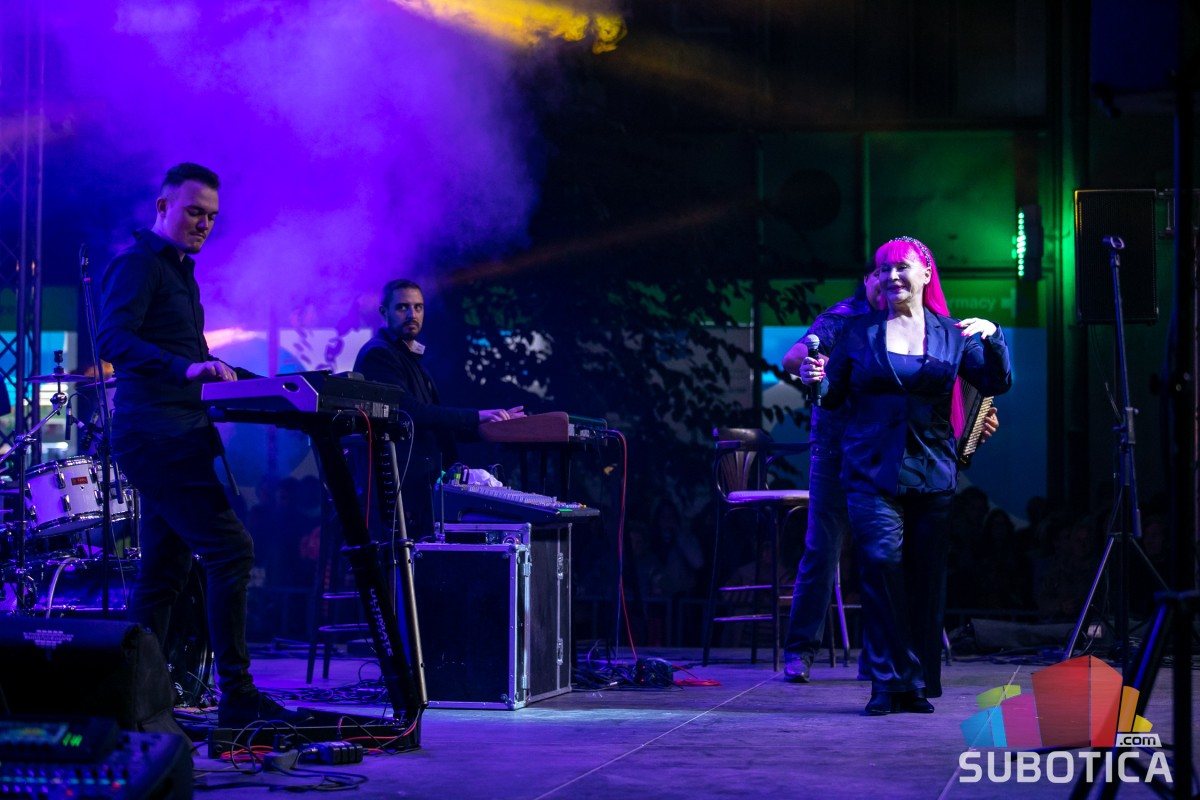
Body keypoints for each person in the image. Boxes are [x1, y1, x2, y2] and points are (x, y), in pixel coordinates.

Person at [98, 162, 312, 727]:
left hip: (177, 435)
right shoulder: (138, 264)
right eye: (195, 212)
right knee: (230, 551)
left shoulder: (179, 272)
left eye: (212, 217)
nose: (204, 224)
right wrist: (185, 368)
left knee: (162, 574)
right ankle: (236, 697)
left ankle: (131, 703)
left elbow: (190, 354)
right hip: (157, 437)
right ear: (163, 206)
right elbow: (112, 337)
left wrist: (264, 382)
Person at [802, 236, 1011, 715]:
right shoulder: (858, 332)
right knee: (880, 567)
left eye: (901, 267)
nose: (891, 276)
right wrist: (818, 382)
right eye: (884, 269)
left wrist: (994, 335)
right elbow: (833, 396)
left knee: (924, 580)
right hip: (870, 472)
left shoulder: (952, 334)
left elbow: (995, 382)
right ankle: (887, 681)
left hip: (932, 472)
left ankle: (914, 684)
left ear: (925, 273)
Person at [353, 278, 524, 537]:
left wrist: (487, 427)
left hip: (418, 485)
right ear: (383, 312)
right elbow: (411, 412)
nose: (412, 314)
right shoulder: (379, 354)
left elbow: (435, 424)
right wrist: (476, 417)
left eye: (418, 307)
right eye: (402, 307)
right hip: (400, 489)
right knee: (404, 559)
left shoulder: (408, 356)